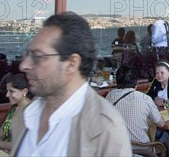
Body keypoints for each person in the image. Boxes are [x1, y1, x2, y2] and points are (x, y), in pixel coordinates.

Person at [12, 11, 131, 156]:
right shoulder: (26, 116)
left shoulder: (105, 129)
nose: (24, 65)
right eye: (27, 54)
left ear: (71, 64)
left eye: (38, 56)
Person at [106, 66, 164, 144]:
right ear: (136, 82)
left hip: (117, 149)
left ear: (117, 82)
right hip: (141, 151)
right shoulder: (145, 98)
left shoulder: (110, 96)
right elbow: (160, 123)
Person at [0, 73, 32, 151]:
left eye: (11, 91)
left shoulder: (32, 112)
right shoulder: (14, 108)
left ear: (24, 91)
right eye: (7, 91)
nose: (7, 95)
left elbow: (25, 145)